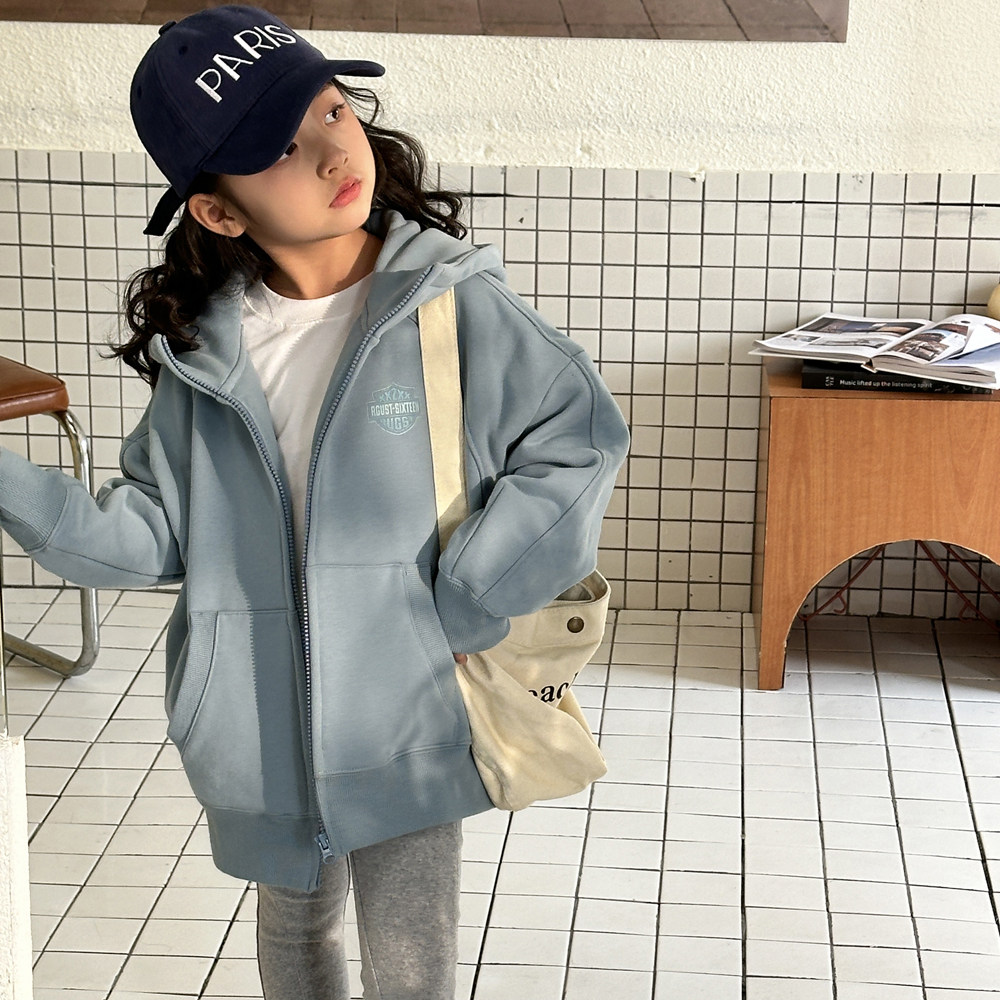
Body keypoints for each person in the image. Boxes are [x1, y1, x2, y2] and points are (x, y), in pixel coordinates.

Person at [0, 6, 629, 999]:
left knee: (410, 963)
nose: (334, 151)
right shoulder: (205, 358)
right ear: (218, 212)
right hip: (256, 733)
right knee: (293, 937)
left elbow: (578, 440)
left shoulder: (451, 304)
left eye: (331, 110)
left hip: (410, 712)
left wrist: (466, 596)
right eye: (281, 148)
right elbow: (143, 535)